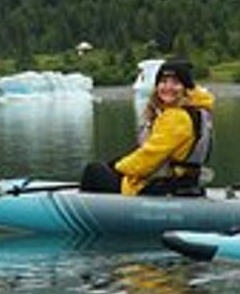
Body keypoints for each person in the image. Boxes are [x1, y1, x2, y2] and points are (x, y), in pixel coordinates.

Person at [78, 58, 215, 196]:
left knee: (94, 171)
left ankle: (83, 212)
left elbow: (149, 157)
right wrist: (116, 164)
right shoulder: (196, 111)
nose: (168, 87)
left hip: (163, 185)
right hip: (183, 181)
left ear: (186, 87)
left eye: (176, 83)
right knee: (105, 169)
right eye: (163, 82)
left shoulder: (176, 117)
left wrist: (117, 168)